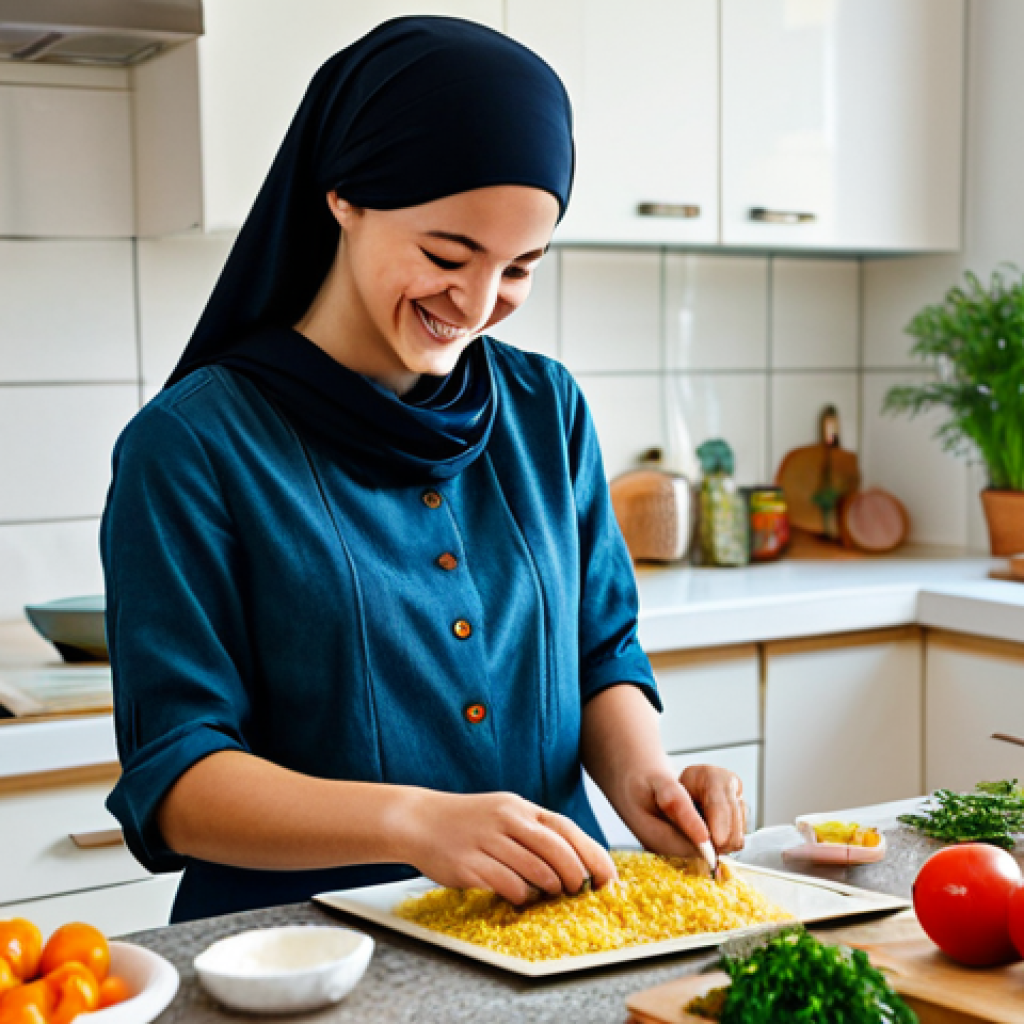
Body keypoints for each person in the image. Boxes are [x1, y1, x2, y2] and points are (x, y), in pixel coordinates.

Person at [100, 16, 746, 924]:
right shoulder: (190, 446)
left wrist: (647, 781)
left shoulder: (547, 410)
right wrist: (413, 823)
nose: (478, 305)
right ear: (344, 198)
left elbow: (600, 652)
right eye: (447, 254)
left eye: (520, 268)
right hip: (298, 956)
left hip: (551, 937)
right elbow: (177, 776)